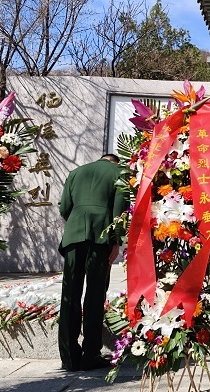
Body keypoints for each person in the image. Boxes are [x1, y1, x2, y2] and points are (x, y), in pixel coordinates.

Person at [58, 153, 126, 371]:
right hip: (101, 236)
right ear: (115, 162)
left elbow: (64, 208)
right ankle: (90, 356)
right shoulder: (119, 173)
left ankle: (69, 357)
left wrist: (79, 220)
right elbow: (119, 212)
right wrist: (116, 242)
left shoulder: (76, 172)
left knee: (70, 294)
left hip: (73, 236)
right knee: (95, 295)